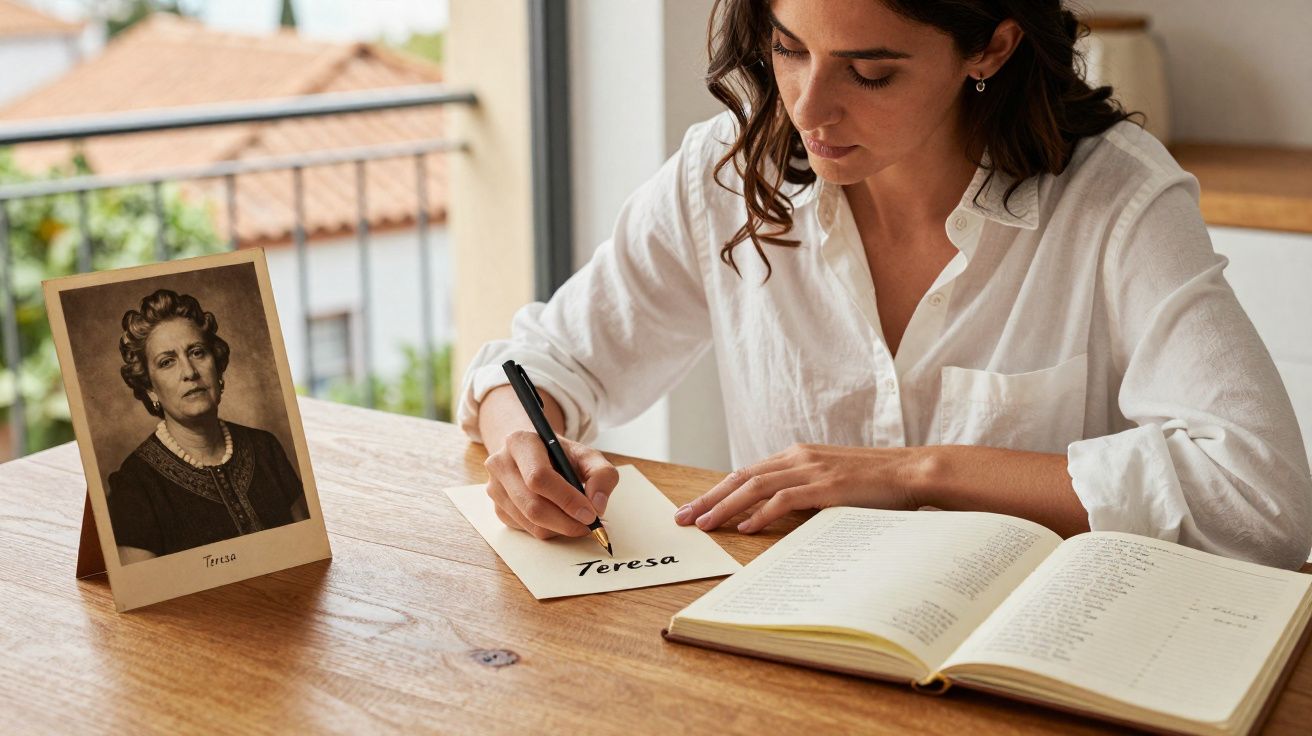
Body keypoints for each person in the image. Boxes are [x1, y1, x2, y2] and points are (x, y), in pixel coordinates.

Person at [457, 0, 1312, 568]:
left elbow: (1264, 498)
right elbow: (538, 363)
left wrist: (919, 471)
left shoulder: (1114, 198)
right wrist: (520, 441)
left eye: (870, 73)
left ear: (991, 46)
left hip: (1036, 670)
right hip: (788, 655)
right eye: (789, 49)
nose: (809, 108)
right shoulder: (727, 176)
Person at [107, 289, 309, 564]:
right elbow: (150, 597)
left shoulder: (265, 448)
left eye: (197, 352)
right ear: (149, 388)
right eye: (167, 362)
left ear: (218, 366)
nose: (189, 372)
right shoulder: (134, 485)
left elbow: (307, 552)